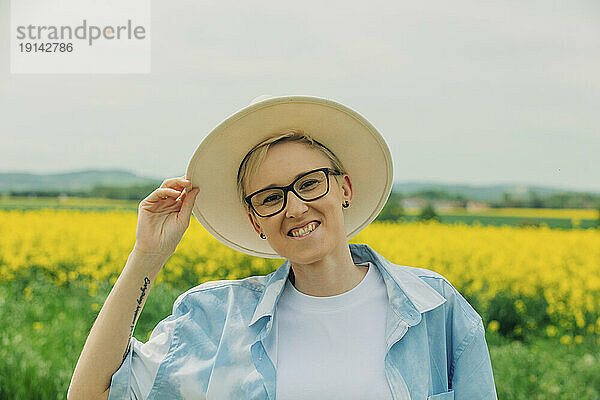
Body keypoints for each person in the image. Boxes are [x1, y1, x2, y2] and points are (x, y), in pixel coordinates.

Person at [68, 95, 498, 400]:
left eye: (309, 183)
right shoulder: (215, 318)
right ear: (256, 221)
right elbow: (91, 393)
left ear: (344, 187)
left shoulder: (432, 307)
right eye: (270, 198)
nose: (294, 207)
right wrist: (147, 256)